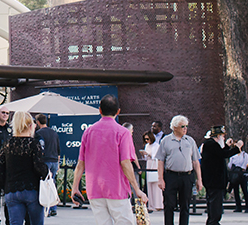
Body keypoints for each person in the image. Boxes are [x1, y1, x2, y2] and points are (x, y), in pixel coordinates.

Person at [73, 95, 147, 225]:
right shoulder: (123, 133)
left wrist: (75, 187)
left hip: (94, 188)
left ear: (100, 110)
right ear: (118, 111)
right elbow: (125, 163)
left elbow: (81, 163)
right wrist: (137, 189)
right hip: (117, 188)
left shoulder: (88, 132)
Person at [0, 111, 49, 225]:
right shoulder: (33, 144)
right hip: (31, 190)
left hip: (12, 190)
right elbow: (39, 167)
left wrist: (3, 186)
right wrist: (47, 172)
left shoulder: (7, 144)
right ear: (30, 126)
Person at [156, 115, 202, 225]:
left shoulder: (190, 141)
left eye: (186, 126)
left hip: (187, 176)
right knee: (169, 204)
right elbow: (160, 161)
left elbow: (195, 161)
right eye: (182, 126)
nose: (185, 128)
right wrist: (160, 179)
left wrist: (199, 179)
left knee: (185, 205)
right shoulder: (166, 141)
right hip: (171, 175)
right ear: (175, 127)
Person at [199, 125, 241, 225]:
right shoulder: (211, 145)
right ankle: (213, 222)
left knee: (215, 204)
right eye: (222, 136)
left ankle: (212, 221)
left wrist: (226, 146)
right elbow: (223, 154)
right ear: (218, 136)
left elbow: (220, 153)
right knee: (215, 205)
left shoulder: (212, 145)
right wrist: (237, 148)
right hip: (215, 181)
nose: (223, 138)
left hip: (214, 181)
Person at [34, 113, 61, 217]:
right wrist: (58, 162)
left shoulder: (39, 133)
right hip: (54, 160)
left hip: (45, 160)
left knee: (44, 185)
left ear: (38, 122)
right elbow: (58, 149)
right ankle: (53, 207)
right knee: (52, 184)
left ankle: (47, 208)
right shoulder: (54, 133)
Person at [140, 130, 164, 211]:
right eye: (145, 139)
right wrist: (144, 155)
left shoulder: (156, 145)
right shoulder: (147, 146)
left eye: (148, 139)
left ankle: (158, 204)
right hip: (149, 164)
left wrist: (149, 154)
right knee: (149, 185)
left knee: (156, 186)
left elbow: (156, 156)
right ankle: (151, 204)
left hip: (155, 165)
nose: (147, 141)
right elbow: (146, 158)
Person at [226, 138, 248, 213]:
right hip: (235, 174)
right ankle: (238, 206)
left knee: (244, 190)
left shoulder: (245, 155)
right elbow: (230, 165)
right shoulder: (233, 156)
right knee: (236, 191)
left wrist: (241, 169)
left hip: (241, 174)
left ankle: (247, 206)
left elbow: (244, 165)